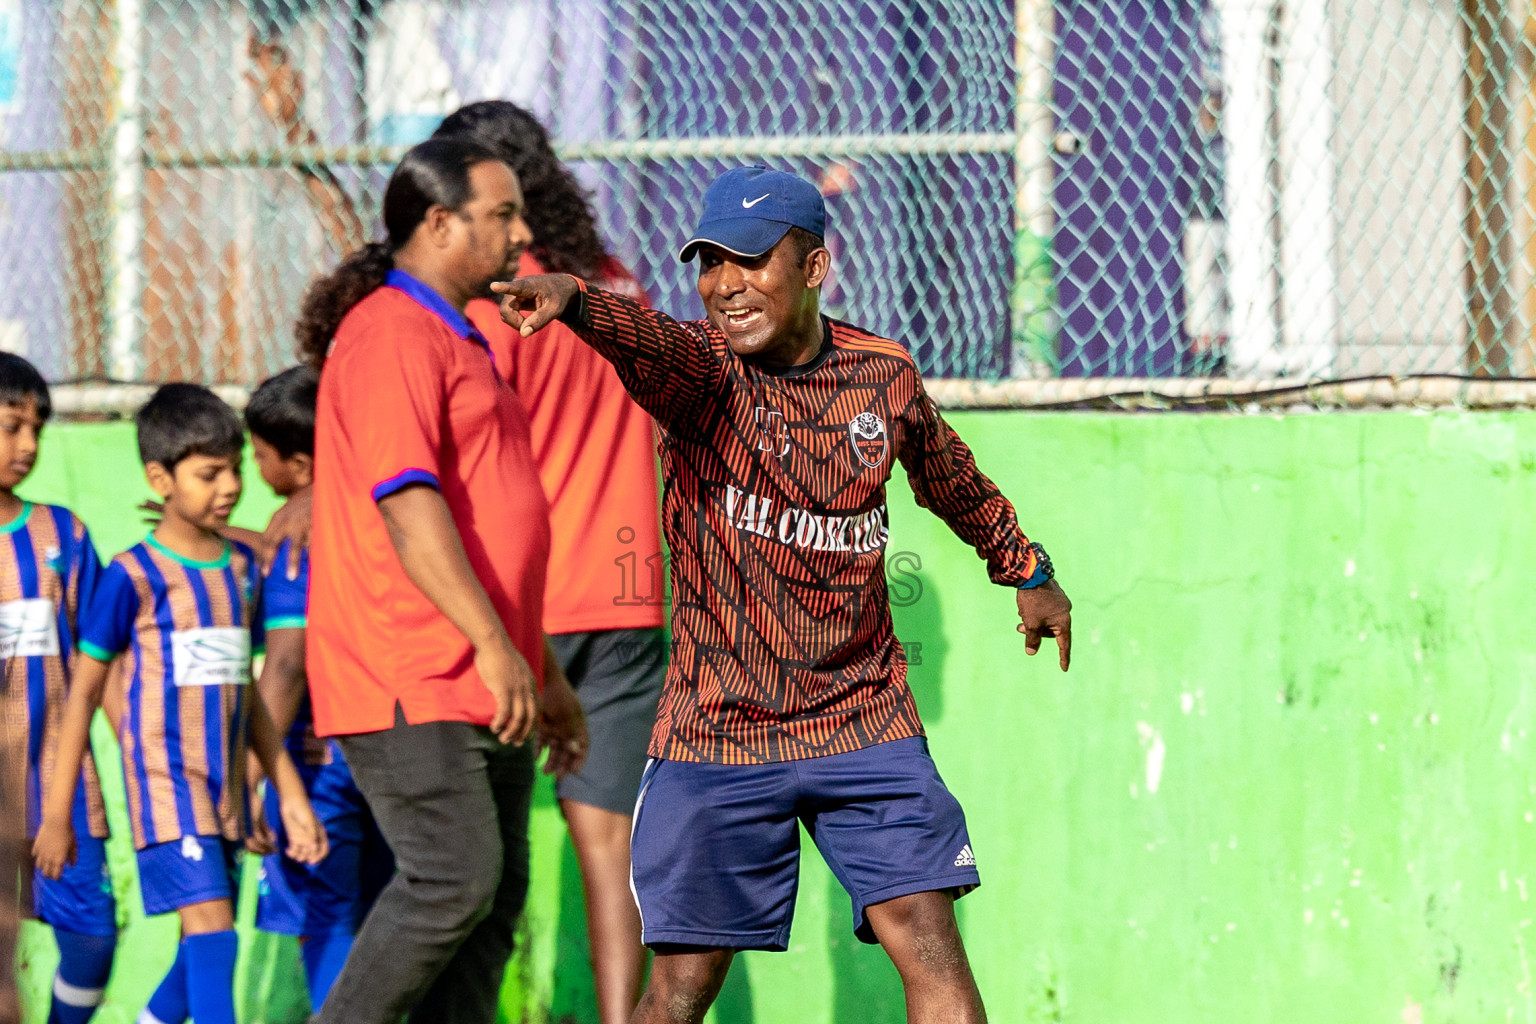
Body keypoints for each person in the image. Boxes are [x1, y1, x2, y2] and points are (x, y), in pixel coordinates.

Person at [496, 166, 1075, 1024]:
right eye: (709, 263)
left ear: (813, 268)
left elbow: (947, 477)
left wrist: (1026, 569)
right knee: (684, 988)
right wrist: (579, 301)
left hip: (862, 718)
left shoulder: (882, 375)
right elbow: (645, 339)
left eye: (751, 260)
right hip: (719, 728)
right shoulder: (702, 375)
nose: (725, 286)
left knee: (928, 938)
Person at [295, 136, 588, 1024]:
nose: (520, 232)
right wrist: (495, 648)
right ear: (438, 222)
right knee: (452, 881)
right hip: (408, 670)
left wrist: (539, 673)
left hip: (485, 674)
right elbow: (408, 506)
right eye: (501, 214)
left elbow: (487, 528)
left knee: (488, 908)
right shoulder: (388, 332)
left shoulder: (460, 336)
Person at [434, 100, 664, 1024]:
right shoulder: (618, 287)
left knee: (471, 847)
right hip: (630, 589)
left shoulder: (500, 305)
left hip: (524, 594)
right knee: (612, 849)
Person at [33, 383, 327, 1024]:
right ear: (160, 479)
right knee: (215, 934)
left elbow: (244, 695)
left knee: (202, 947)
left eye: (236, 470)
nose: (229, 487)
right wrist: (58, 815)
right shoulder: (130, 576)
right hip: (166, 789)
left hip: (224, 792)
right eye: (209, 474)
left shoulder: (239, 573)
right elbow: (81, 694)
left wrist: (289, 794)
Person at [241, 366, 395, 1011]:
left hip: (315, 759)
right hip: (393, 743)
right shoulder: (378, 515)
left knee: (328, 913)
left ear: (299, 463)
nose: (252, 469)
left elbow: (285, 666)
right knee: (392, 910)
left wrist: (252, 776)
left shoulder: (297, 541)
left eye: (257, 455)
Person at [0, 354, 117, 1024]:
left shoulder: (62, 534)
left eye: (37, 429)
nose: (29, 445)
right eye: (12, 426)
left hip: (60, 789)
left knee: (93, 939)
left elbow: (105, 664)